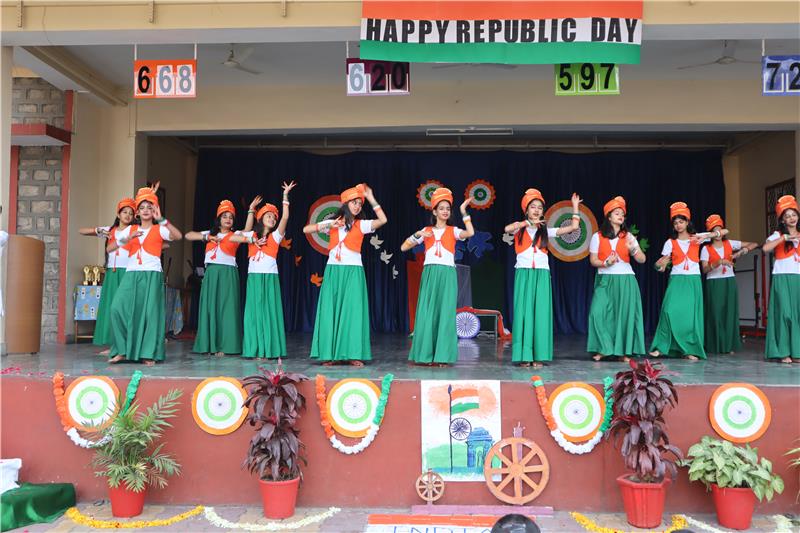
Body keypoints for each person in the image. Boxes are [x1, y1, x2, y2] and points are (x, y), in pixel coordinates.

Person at [304, 184, 387, 366]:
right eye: (354, 202)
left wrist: (371, 198)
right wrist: (329, 224)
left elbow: (382, 220)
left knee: (353, 312)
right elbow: (306, 230)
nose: (357, 206)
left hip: (353, 272)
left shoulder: (361, 225)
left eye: (360, 204)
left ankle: (353, 354)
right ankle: (330, 354)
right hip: (334, 271)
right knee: (331, 311)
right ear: (345, 204)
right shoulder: (333, 224)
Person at [504, 189, 581, 367]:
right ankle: (524, 355)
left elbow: (573, 227)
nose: (537, 210)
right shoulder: (519, 228)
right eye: (533, 207)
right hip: (524, 274)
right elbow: (507, 229)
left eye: (539, 207)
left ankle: (539, 355)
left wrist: (575, 207)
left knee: (540, 314)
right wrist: (526, 223)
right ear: (526, 210)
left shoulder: (547, 230)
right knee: (524, 314)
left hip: (542, 274)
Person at [107, 186, 182, 365]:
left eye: (150, 207)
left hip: (152, 274)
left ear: (154, 210)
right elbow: (110, 248)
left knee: (150, 314)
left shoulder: (159, 229)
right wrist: (127, 238)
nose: (146, 210)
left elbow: (178, 236)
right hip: (131, 274)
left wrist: (162, 220)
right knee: (117, 308)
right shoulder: (131, 229)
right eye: (142, 208)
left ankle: (148, 353)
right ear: (137, 212)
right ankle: (122, 350)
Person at [403, 187, 474, 366]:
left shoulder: (453, 230)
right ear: (434, 211)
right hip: (430, 274)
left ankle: (442, 356)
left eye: (448, 209)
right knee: (428, 313)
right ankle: (425, 355)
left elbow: (470, 233)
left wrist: (464, 211)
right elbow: (404, 247)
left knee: (445, 313)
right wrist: (417, 235)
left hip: (447, 274)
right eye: (441, 208)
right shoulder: (426, 230)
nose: (445, 211)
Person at [650, 202, 725, 360]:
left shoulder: (696, 238)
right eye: (675, 222)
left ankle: (690, 350)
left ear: (687, 222)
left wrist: (707, 236)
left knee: (691, 317)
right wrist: (659, 265)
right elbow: (660, 266)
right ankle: (662, 347)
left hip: (693, 280)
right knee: (668, 311)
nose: (678, 225)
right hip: (676, 280)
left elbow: (725, 231)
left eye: (681, 221)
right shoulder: (670, 243)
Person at [230, 181, 296, 359]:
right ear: (260, 218)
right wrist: (251, 212)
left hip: (269, 278)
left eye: (273, 217)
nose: (272, 219)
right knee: (254, 314)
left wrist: (285, 196)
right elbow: (234, 237)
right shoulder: (252, 235)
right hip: (254, 278)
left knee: (268, 313)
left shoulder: (275, 236)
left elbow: (285, 217)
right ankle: (255, 349)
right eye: (269, 215)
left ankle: (268, 350)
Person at [185, 198, 257, 356]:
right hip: (211, 274)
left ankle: (226, 346)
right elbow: (188, 235)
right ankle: (209, 344)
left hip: (228, 274)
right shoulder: (210, 234)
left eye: (231, 217)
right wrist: (206, 238)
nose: (228, 219)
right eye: (225, 216)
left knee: (227, 309)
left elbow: (247, 230)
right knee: (210, 307)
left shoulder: (234, 235)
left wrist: (251, 210)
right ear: (218, 219)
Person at [587, 196, 647, 361]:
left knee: (624, 316)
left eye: (622, 214)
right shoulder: (597, 237)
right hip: (605, 279)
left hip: (626, 280)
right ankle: (604, 348)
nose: (621, 216)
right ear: (609, 216)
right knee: (597, 313)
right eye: (617, 213)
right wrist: (606, 263)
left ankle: (623, 352)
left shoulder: (628, 237)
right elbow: (593, 260)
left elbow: (642, 259)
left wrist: (633, 249)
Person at [78, 197, 137, 353]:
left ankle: (126, 345)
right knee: (110, 308)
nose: (127, 215)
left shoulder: (134, 230)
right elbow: (81, 231)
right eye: (124, 212)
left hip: (127, 273)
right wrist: (99, 231)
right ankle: (113, 345)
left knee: (124, 309)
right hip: (111, 273)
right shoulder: (110, 230)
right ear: (118, 214)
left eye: (131, 213)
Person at [700, 214, 757, 354]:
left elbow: (754, 244)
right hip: (714, 283)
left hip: (729, 281)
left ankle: (729, 345)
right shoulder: (706, 249)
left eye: (719, 229)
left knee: (729, 313)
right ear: (710, 233)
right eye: (714, 230)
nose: (718, 233)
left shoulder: (730, 243)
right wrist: (719, 262)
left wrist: (742, 252)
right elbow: (705, 269)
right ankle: (715, 345)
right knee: (715, 313)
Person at [762, 194, 800, 363]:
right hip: (782, 277)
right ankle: (783, 351)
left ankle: (797, 352)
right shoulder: (777, 235)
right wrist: (784, 238)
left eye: (794, 214)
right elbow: (765, 249)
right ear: (783, 220)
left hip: (798, 278)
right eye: (787, 216)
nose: (791, 218)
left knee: (797, 314)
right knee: (785, 313)